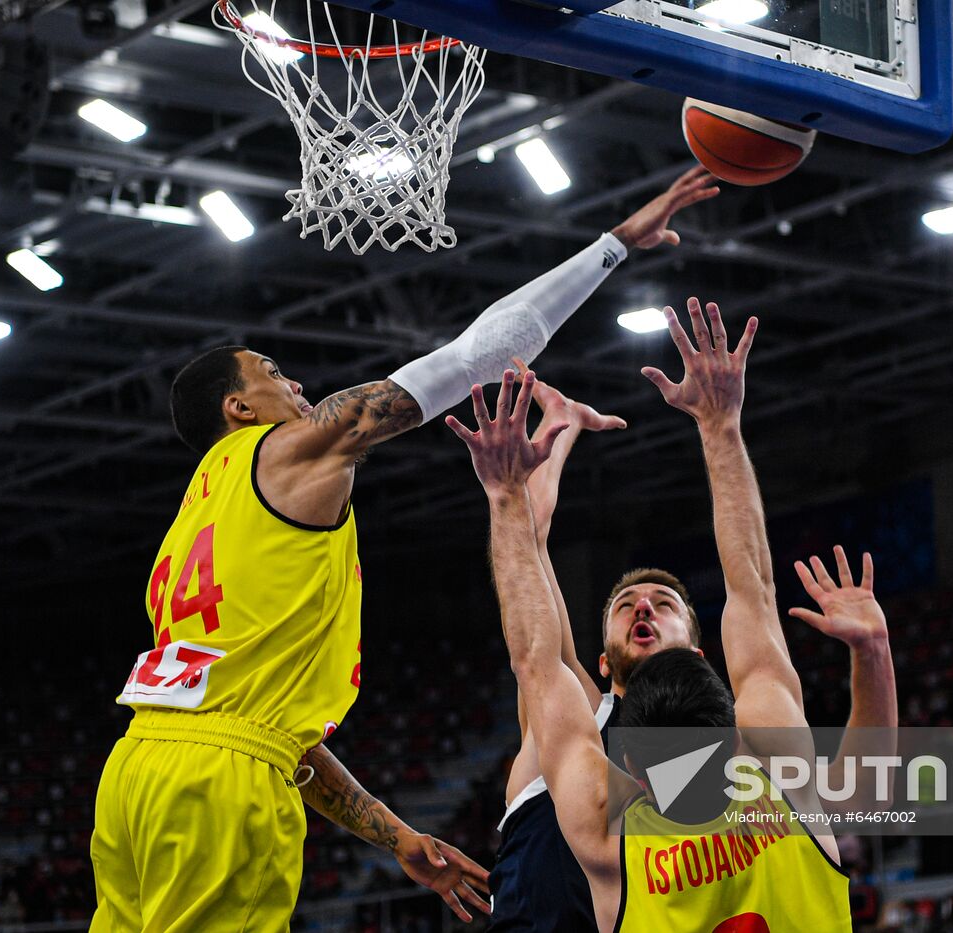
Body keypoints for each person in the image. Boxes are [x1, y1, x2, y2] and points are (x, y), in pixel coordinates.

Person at [88, 169, 721, 933]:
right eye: (274, 375)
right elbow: (472, 356)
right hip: (218, 782)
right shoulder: (287, 451)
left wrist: (395, 834)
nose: (297, 384)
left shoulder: (193, 519)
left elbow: (258, 729)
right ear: (238, 407)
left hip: (137, 768)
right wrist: (613, 246)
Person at [449, 304, 872, 930]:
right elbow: (538, 609)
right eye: (625, 605)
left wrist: (505, 492)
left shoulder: (606, 811)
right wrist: (719, 425)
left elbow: (533, 646)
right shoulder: (776, 775)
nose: (643, 606)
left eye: (664, 604)